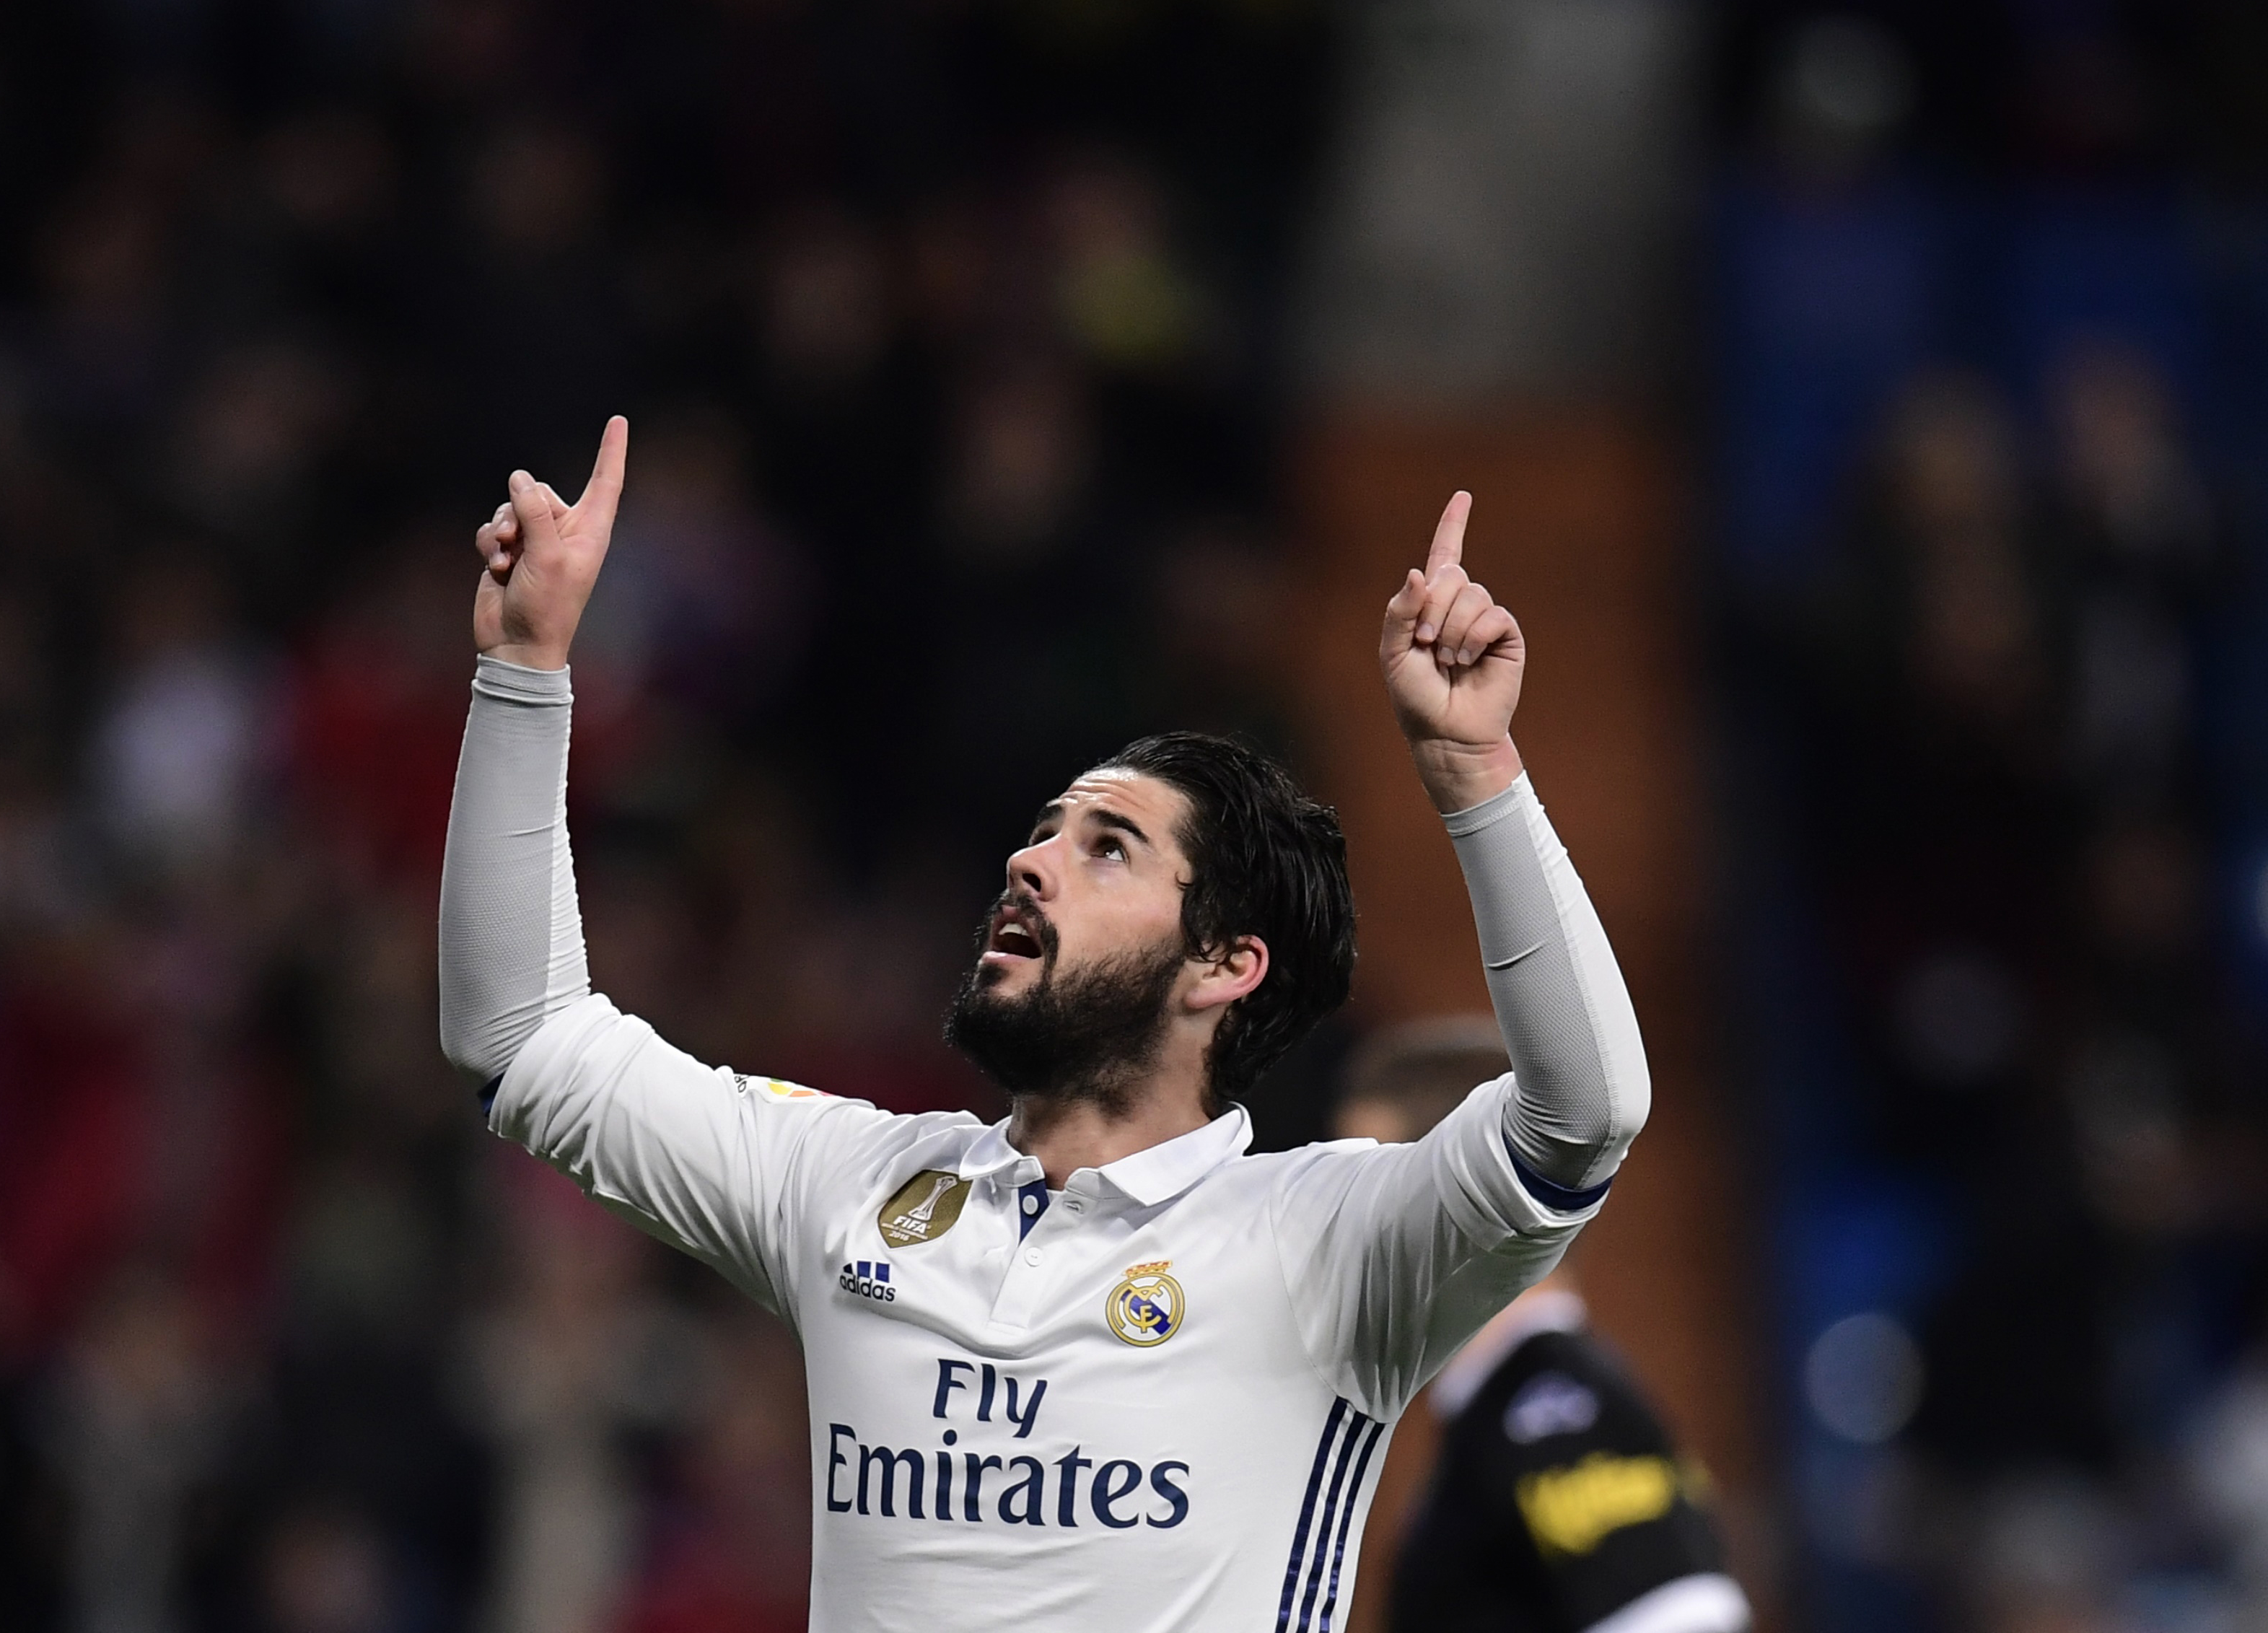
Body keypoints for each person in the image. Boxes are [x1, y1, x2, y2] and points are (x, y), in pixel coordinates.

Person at [437, 416, 1652, 1632]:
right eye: (1045, 829)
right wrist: (526, 668)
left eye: (1105, 847)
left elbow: (1583, 1112)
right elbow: (522, 1034)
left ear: (1223, 964)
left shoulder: (1329, 1243)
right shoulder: (849, 1186)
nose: (1029, 861)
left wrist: (1476, 770)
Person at [1338, 1022, 1749, 1633]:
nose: (1339, 1235)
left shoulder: (1557, 1409)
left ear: (1470, 1203)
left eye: (1363, 1196)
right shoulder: (1504, 1412)